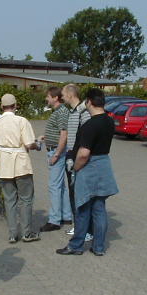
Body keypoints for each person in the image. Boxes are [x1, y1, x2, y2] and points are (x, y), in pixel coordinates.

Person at [56, 88, 118, 257]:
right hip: (104, 165)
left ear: (89, 102)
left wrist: (75, 168)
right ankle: (99, 247)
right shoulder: (109, 121)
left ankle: (76, 246)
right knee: (99, 208)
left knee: (82, 208)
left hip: (89, 167)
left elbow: (83, 154)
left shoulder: (90, 124)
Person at [0, 93, 40, 243]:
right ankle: (26, 233)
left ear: (2, 106)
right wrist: (37, 142)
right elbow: (28, 144)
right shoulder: (21, 121)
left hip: (4, 163)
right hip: (21, 163)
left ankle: (13, 233)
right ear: (15, 105)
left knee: (9, 200)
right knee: (25, 199)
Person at [39, 86, 72, 232]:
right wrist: (46, 137)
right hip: (54, 150)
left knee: (54, 186)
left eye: (48, 96)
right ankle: (66, 215)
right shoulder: (59, 111)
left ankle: (54, 220)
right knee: (61, 186)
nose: (46, 99)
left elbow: (64, 134)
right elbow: (59, 132)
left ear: (55, 98)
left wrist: (56, 155)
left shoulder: (62, 111)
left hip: (56, 153)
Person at [61, 83, 91, 240]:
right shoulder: (72, 112)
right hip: (70, 156)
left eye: (64, 94)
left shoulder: (83, 112)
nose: (62, 97)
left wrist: (76, 158)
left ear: (71, 95)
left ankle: (85, 230)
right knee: (73, 194)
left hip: (77, 159)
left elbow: (86, 137)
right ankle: (79, 226)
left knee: (80, 194)